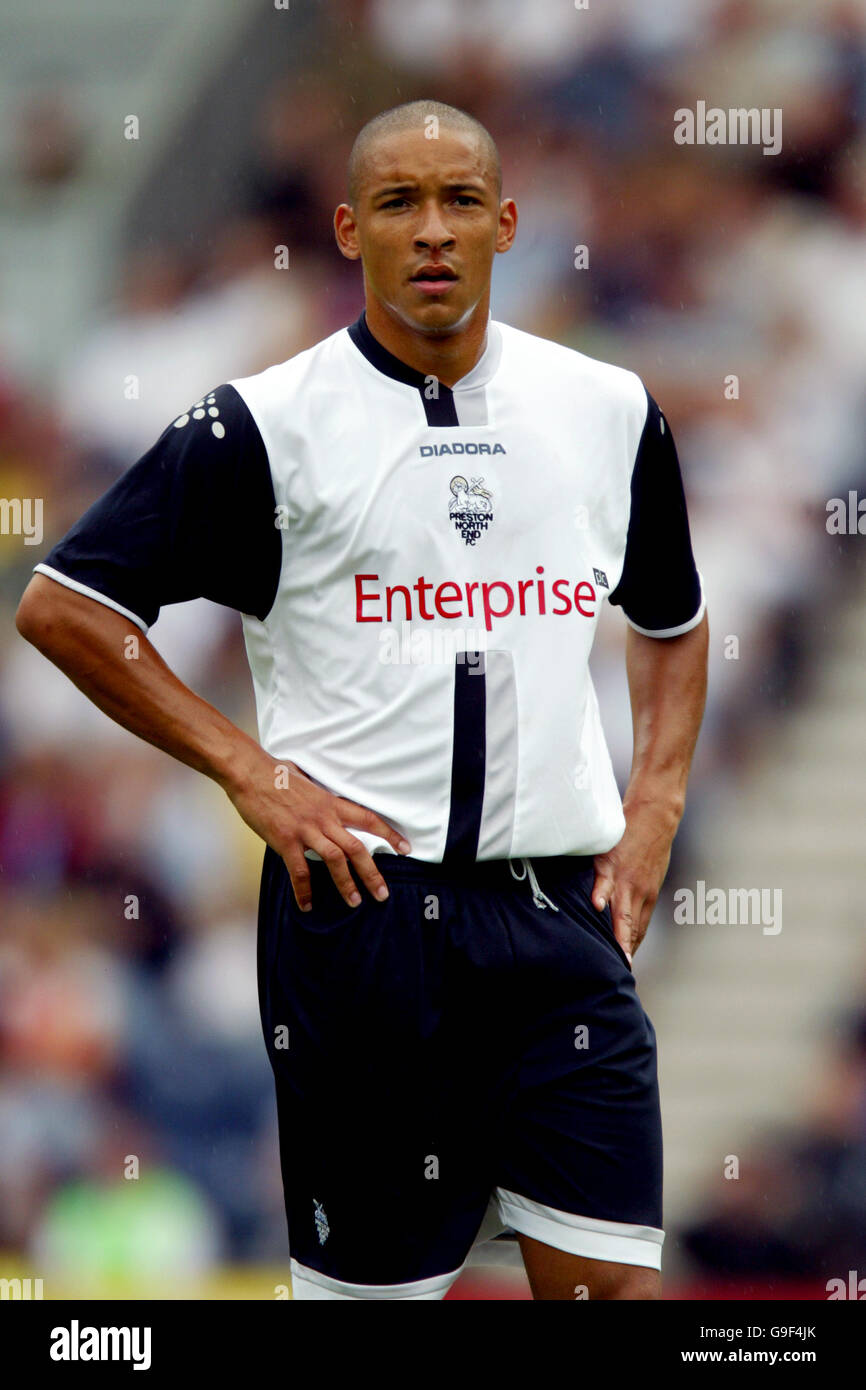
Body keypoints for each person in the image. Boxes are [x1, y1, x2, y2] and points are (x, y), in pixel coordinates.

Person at [15, 99, 708, 1301]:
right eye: (397, 203)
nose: (430, 231)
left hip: (559, 922)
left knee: (612, 1293)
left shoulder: (604, 409)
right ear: (347, 229)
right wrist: (250, 769)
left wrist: (653, 802)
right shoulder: (264, 425)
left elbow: (673, 620)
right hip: (366, 923)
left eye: (455, 203)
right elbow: (68, 608)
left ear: (505, 222)